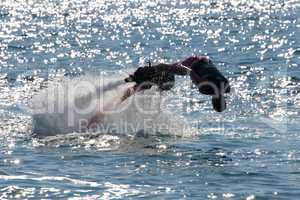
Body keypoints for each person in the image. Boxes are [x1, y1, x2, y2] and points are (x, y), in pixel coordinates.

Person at [88, 56, 230, 128]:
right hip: (185, 67)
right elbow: (191, 71)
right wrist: (166, 69)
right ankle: (100, 115)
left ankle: (100, 114)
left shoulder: (225, 87)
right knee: (139, 86)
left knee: (141, 87)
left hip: (193, 63)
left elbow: (201, 67)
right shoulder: (205, 87)